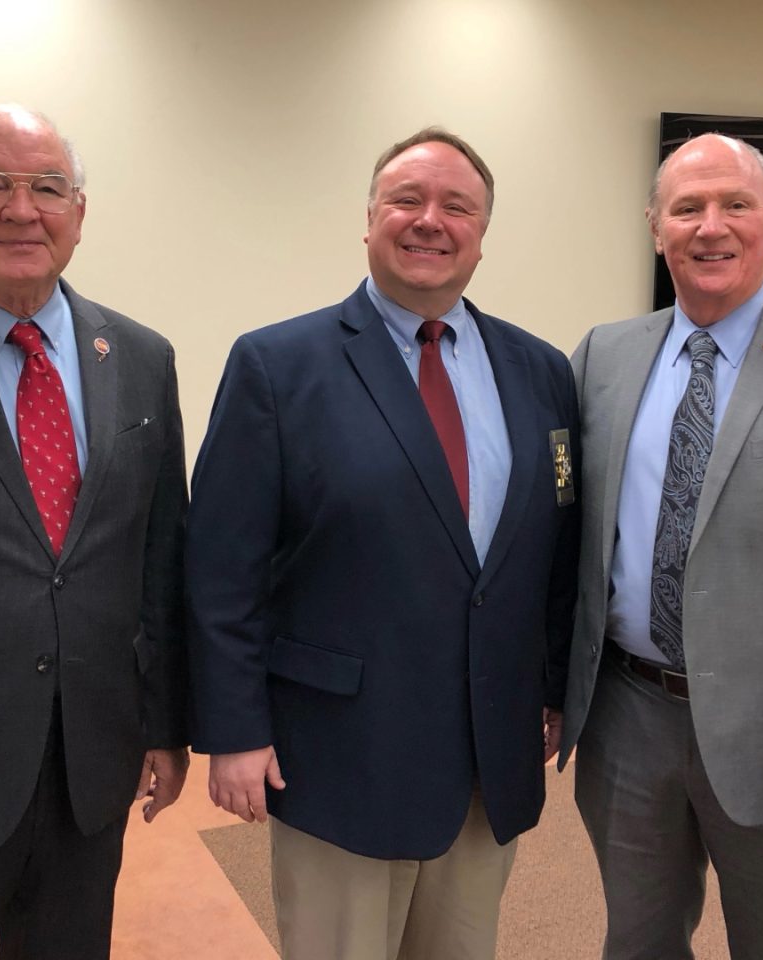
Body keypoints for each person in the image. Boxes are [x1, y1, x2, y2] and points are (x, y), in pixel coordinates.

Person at [186, 127, 580, 960]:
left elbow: (554, 549)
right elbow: (224, 569)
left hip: (486, 755)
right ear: (368, 221)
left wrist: (549, 687)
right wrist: (233, 729)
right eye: (407, 200)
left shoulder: (541, 371)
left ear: (482, 233)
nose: (430, 221)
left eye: (457, 206)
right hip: (339, 754)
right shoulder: (277, 365)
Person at [0, 104, 190, 960]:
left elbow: (159, 559)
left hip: (87, 766)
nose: (22, 210)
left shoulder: (140, 357)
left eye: (48, 187)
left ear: (79, 214)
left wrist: (166, 722)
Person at [559, 132, 763, 959]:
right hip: (627, 717)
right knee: (637, 943)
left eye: (735, 204)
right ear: (657, 228)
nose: (710, 226)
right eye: (688, 208)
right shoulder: (603, 356)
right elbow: (566, 539)